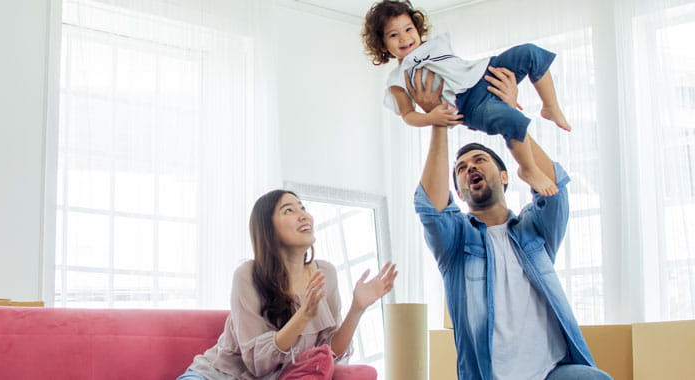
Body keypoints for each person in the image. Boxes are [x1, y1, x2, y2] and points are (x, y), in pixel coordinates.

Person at [406, 56, 611, 380]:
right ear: (458, 191)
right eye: (461, 169)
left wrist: (509, 116)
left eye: (480, 160)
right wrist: (438, 121)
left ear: (504, 176)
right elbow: (432, 209)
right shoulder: (456, 242)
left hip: (552, 372)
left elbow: (554, 186)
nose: (470, 167)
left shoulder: (534, 231)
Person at [177, 190, 398, 380]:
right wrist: (303, 316)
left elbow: (329, 352)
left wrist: (357, 308)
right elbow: (257, 364)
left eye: (303, 208)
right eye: (289, 210)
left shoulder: (325, 274)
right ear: (268, 228)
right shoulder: (248, 275)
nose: (304, 216)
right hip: (216, 375)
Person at [362, 0, 571, 196]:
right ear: (382, 45)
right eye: (394, 35)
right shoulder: (397, 79)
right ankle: (528, 169)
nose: (404, 38)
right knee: (513, 120)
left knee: (530, 53)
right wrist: (431, 117)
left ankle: (550, 107)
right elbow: (408, 115)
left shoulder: (434, 45)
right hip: (469, 105)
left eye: (408, 29)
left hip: (484, 72)